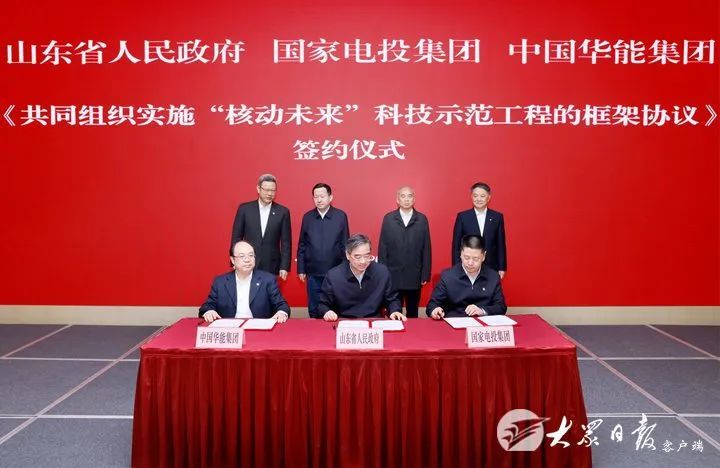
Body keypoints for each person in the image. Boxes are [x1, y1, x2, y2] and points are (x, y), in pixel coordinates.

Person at [318, 234, 405, 322]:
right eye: (357, 257)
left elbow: (392, 299)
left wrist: (394, 311)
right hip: (344, 321)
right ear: (348, 255)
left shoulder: (382, 272)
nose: (363, 261)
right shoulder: (334, 276)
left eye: (367, 256)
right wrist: (327, 312)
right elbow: (323, 304)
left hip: (373, 320)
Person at [199, 240, 290, 322]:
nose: (247, 260)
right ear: (232, 260)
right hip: (231, 329)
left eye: (251, 255)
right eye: (242, 256)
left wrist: (281, 312)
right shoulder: (220, 282)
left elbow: (282, 305)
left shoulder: (268, 280)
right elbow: (207, 306)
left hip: (258, 329)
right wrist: (209, 311)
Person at [297, 183, 349, 318]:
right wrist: (301, 269)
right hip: (313, 272)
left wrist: (345, 268)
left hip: (335, 271)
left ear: (330, 197)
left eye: (322, 196)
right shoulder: (307, 217)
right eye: (316, 197)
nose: (319, 200)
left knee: (335, 307)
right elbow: (302, 244)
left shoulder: (340, 216)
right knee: (314, 308)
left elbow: (345, 244)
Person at [378, 186, 431, 318]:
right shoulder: (389, 218)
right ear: (397, 199)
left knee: (412, 313)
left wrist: (425, 273)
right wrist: (382, 272)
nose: (406, 199)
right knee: (394, 312)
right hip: (393, 275)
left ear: (414, 199)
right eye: (403, 196)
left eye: (409, 196)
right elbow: (383, 247)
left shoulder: (422, 219)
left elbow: (426, 247)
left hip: (414, 275)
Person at [428, 235, 506, 319]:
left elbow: (501, 307)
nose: (470, 263)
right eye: (466, 258)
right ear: (461, 254)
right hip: (455, 321)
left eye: (475, 259)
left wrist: (482, 310)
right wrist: (435, 310)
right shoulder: (448, 276)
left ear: (483, 256)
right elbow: (432, 305)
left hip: (483, 323)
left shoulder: (493, 277)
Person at [230, 174, 291, 280]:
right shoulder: (244, 209)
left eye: (273, 190)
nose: (269, 193)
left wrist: (284, 266)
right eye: (266, 190)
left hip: (272, 265)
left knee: (270, 290)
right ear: (258, 189)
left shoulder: (283, 212)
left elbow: (286, 242)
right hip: (247, 263)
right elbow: (236, 237)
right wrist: (235, 261)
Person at [451, 182, 507, 279]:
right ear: (471, 197)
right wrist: (456, 267)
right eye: (475, 196)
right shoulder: (463, 217)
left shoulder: (497, 217)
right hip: (468, 265)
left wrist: (502, 267)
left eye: (482, 196)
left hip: (491, 265)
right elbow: (456, 245)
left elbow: (500, 244)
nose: (478, 199)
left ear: (488, 197)